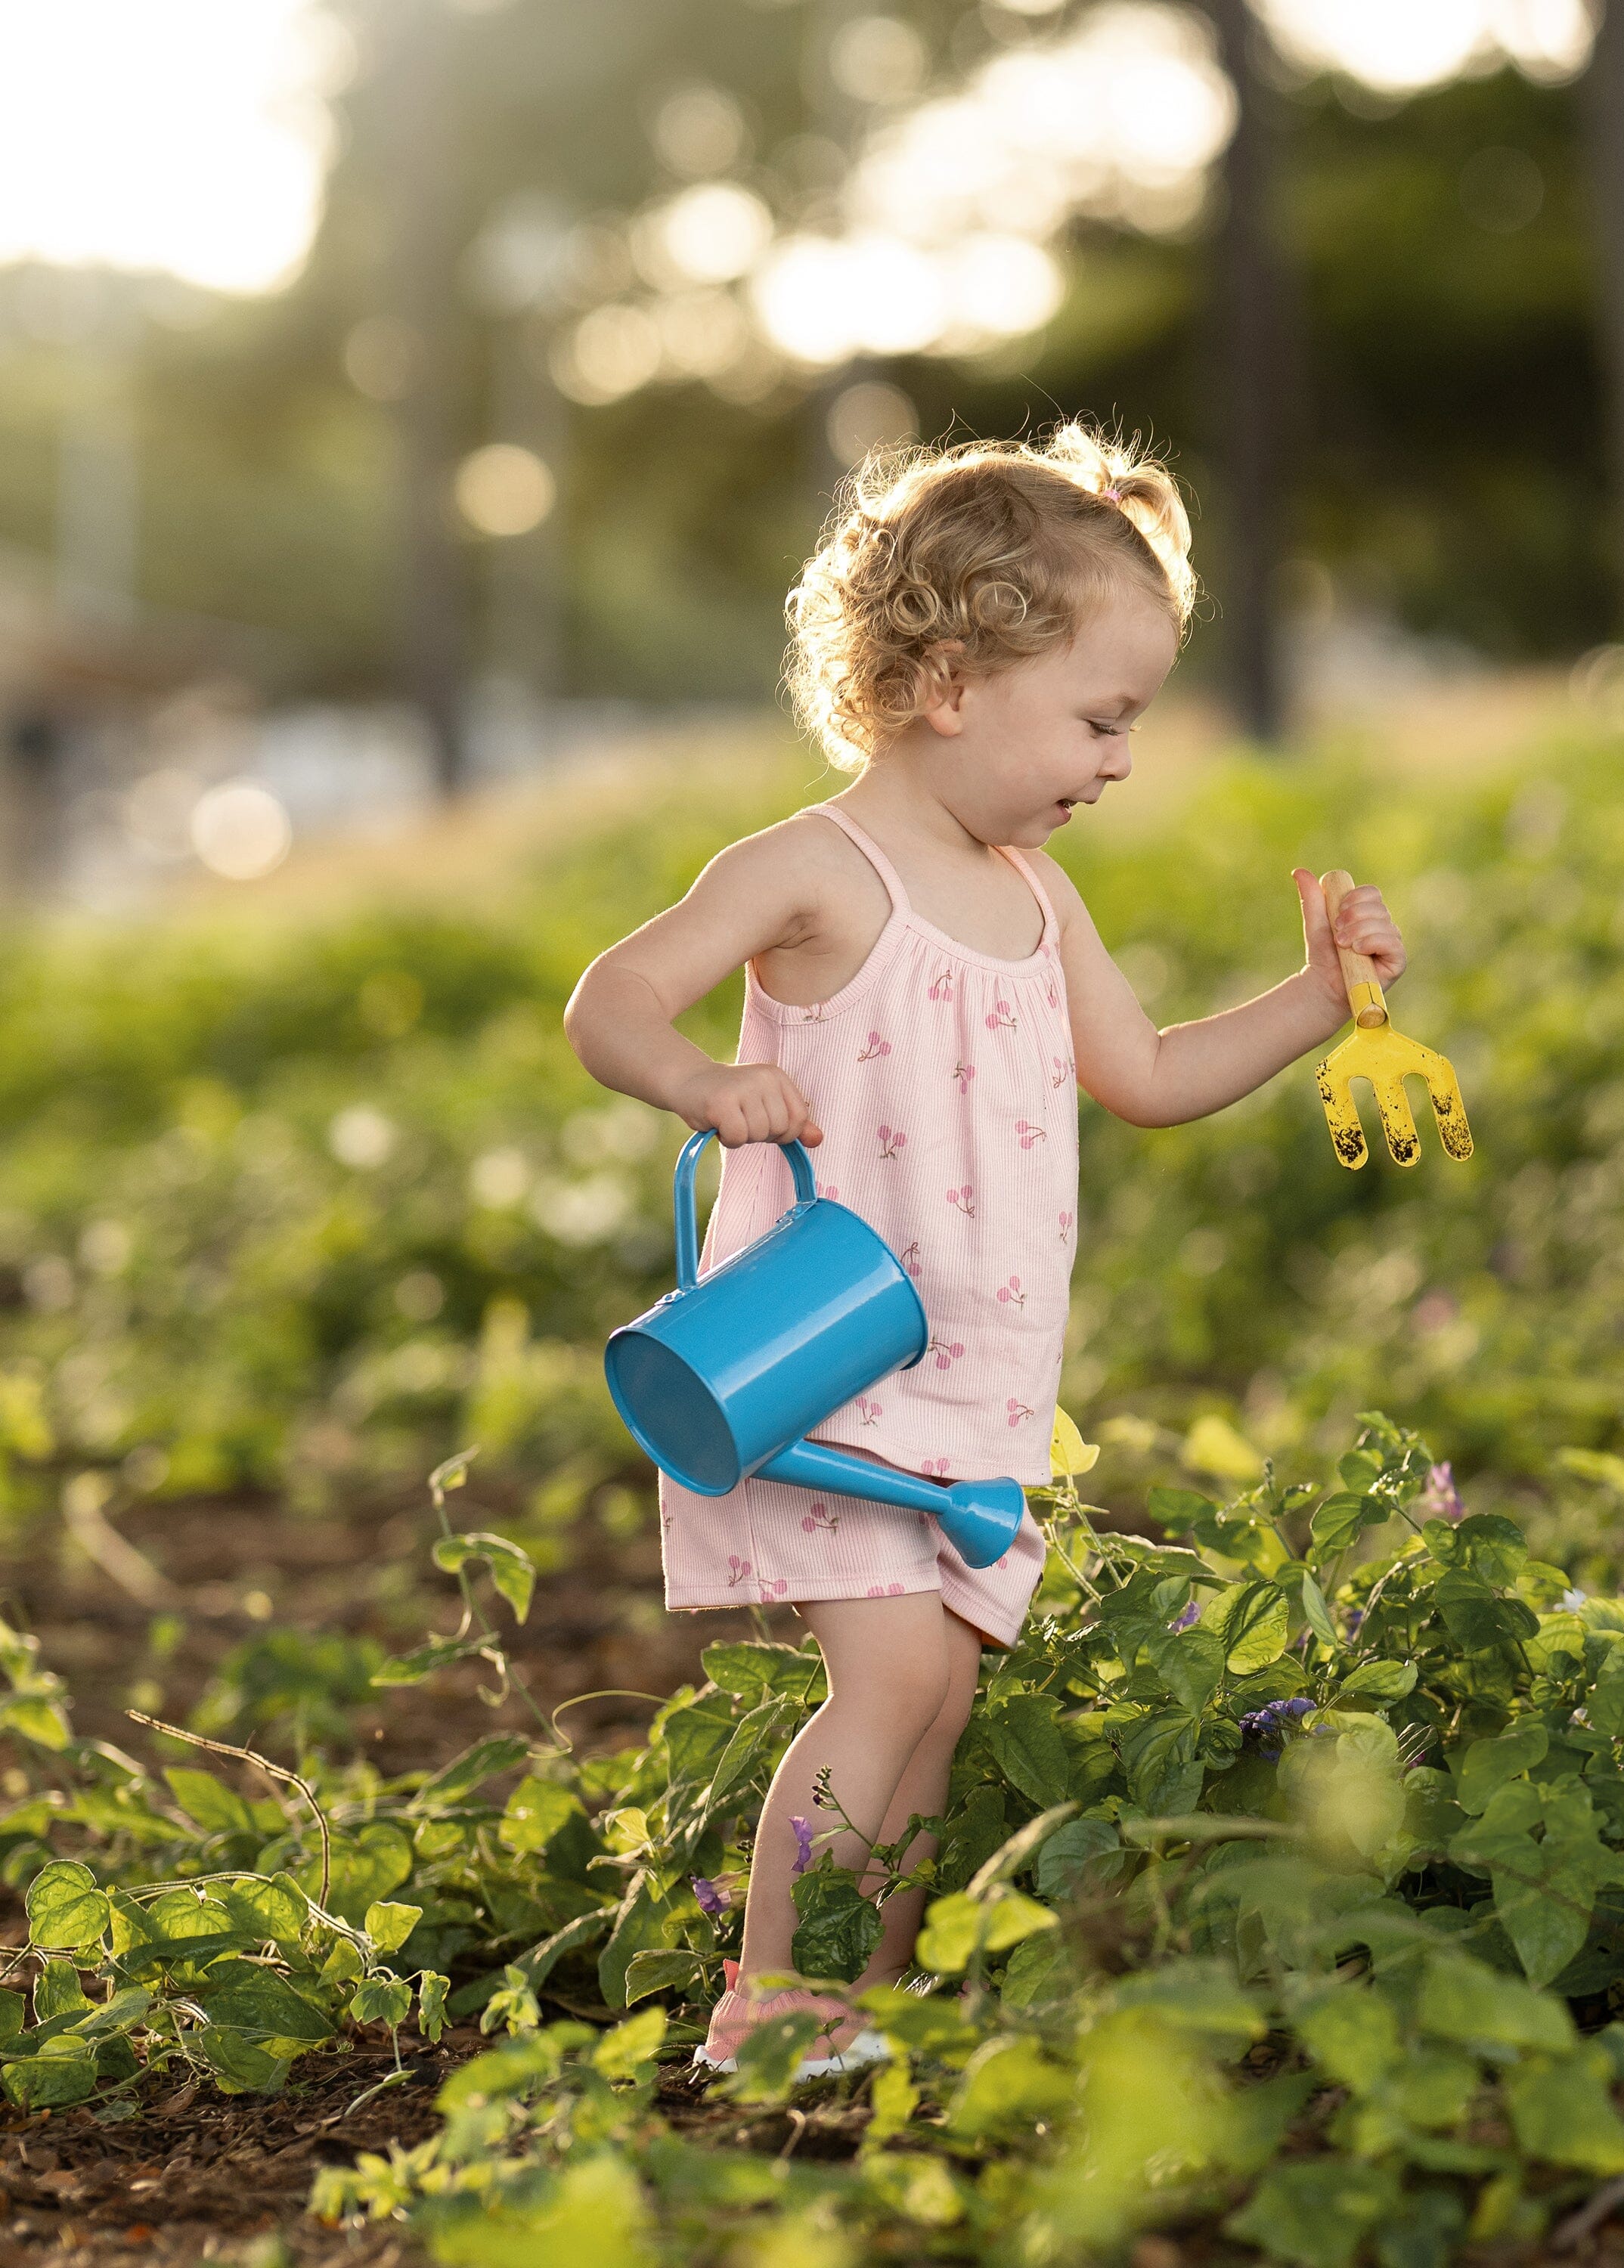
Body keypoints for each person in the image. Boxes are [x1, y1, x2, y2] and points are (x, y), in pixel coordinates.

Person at [563, 421, 1406, 2074]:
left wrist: (1321, 1000)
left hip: (976, 1382)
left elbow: (1151, 1077)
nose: (1119, 758)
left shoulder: (1035, 897)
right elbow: (614, 996)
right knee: (882, 1695)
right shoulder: (815, 869)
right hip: (826, 1365)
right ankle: (775, 2006)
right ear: (951, 681)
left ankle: (862, 2007)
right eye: (1101, 717)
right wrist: (706, 1080)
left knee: (939, 1706)